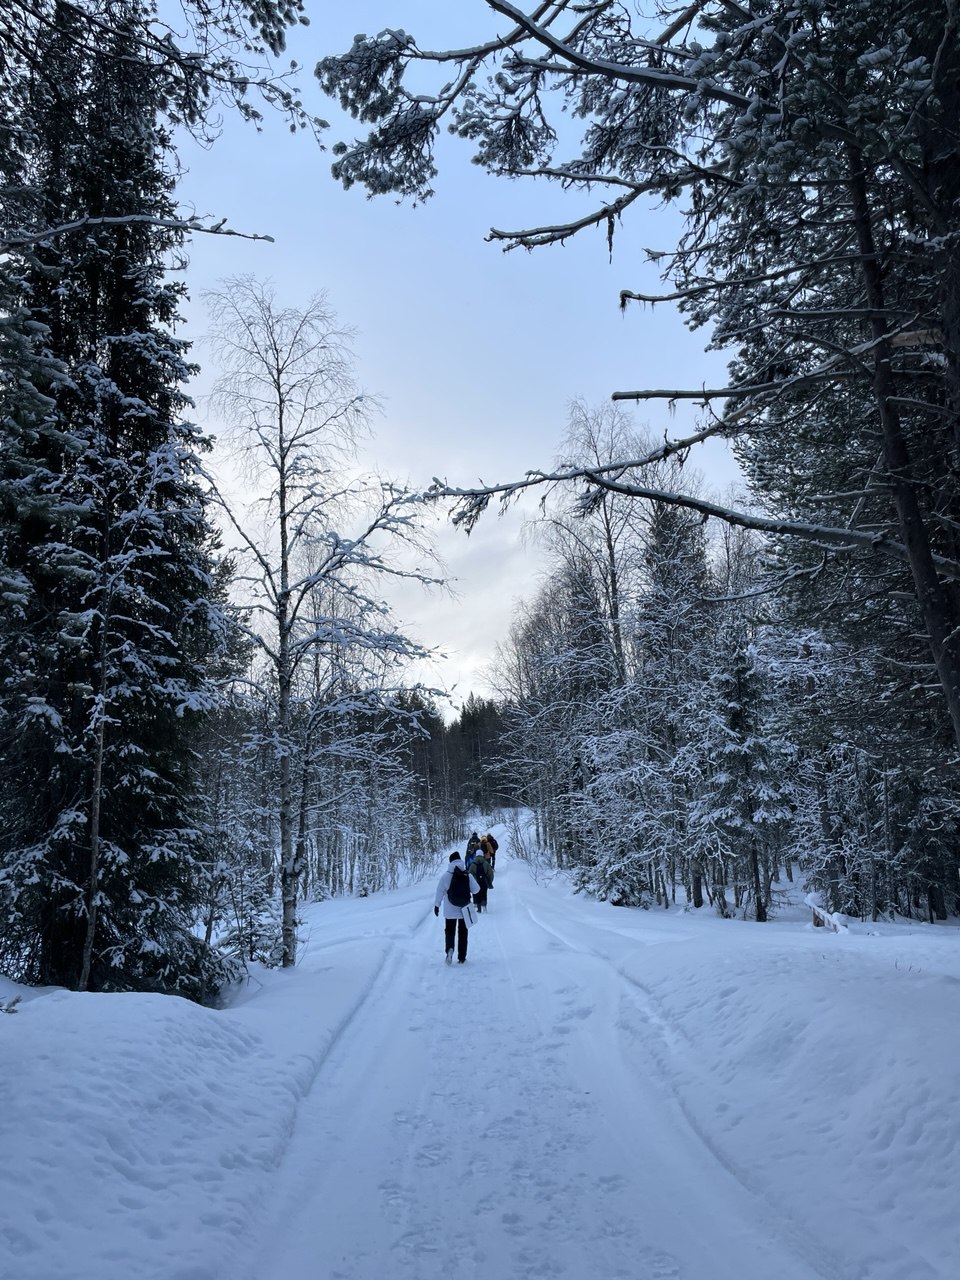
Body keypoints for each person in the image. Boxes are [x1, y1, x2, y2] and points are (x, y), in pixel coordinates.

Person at [434, 852, 480, 964]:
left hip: (450, 910)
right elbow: (476, 889)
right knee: (463, 932)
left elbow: (439, 892)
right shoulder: (467, 875)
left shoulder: (445, 876)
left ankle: (450, 949)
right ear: (460, 861)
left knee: (450, 931)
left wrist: (437, 905)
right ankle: (462, 957)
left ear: (450, 862)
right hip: (464, 909)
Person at [470, 846, 494, 912]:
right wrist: (489, 881)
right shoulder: (486, 863)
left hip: (476, 881)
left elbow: (470, 874)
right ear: (482, 855)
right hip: (484, 881)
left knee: (476, 893)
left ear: (476, 855)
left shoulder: (473, 864)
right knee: (484, 893)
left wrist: (472, 882)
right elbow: (490, 874)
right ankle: (484, 906)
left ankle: (477, 906)